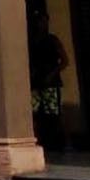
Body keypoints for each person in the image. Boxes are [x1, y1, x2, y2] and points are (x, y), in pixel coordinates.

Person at [30, 10, 69, 150]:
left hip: (50, 82)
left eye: (42, 21)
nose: (40, 24)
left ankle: (61, 142)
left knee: (54, 112)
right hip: (35, 82)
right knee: (33, 112)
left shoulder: (52, 40)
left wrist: (52, 74)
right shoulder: (32, 40)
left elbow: (64, 61)